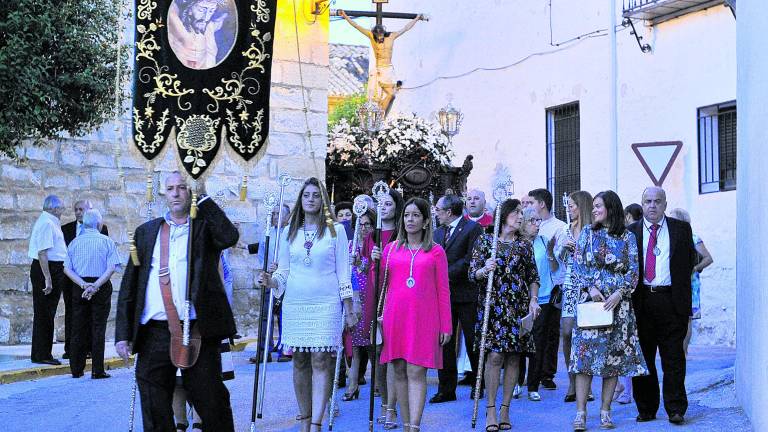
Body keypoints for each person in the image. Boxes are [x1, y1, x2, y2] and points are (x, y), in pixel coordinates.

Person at [115, 171, 238, 432]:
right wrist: (122, 334)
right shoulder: (146, 232)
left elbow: (229, 237)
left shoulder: (204, 229)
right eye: (170, 188)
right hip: (154, 333)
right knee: (154, 406)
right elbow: (130, 285)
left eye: (182, 187)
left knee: (212, 402)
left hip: (197, 330)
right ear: (163, 193)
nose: (175, 193)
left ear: (190, 191)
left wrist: (203, 196)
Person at [257, 177, 357, 432]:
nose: (311, 199)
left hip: (326, 303)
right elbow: (283, 272)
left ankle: (316, 422)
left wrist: (349, 308)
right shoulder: (290, 232)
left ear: (322, 199)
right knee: (299, 359)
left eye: (315, 195)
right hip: (296, 303)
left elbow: (343, 272)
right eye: (306, 195)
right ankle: (303, 416)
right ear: (300, 200)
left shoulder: (337, 231)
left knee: (321, 360)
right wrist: (270, 281)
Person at [570, 191, 647, 431]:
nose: (594, 210)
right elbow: (578, 264)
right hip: (591, 304)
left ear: (611, 208)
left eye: (598, 206)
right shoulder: (587, 234)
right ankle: (581, 413)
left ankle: (605, 411)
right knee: (585, 360)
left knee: (612, 360)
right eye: (593, 206)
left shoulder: (627, 237)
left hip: (618, 308)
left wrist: (619, 293)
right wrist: (591, 287)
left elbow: (633, 270)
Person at [374, 197, 452, 432]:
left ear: (426, 221)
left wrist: (446, 325)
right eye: (407, 215)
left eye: (416, 215)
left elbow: (443, 290)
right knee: (398, 369)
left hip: (424, 319)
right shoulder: (390, 249)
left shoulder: (436, 251)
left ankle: (414, 426)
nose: (410, 219)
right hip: (395, 317)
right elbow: (382, 284)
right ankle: (406, 424)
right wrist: (374, 263)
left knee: (416, 370)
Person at [469, 199, 541, 432]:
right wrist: (484, 268)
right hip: (493, 305)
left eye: (521, 213)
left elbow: (533, 277)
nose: (520, 217)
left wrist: (533, 300)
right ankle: (490, 408)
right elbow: (472, 274)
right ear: (504, 216)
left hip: (518, 307)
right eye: (516, 213)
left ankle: (505, 408)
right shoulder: (485, 241)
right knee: (495, 356)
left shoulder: (524, 245)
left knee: (513, 357)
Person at [629, 187, 698, 425]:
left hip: (671, 300)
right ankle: (646, 408)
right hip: (642, 301)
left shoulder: (681, 229)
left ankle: (676, 408)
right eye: (648, 201)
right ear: (642, 202)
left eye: (657, 201)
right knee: (643, 358)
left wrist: (682, 298)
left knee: (674, 357)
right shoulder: (631, 232)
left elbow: (690, 261)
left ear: (665, 204)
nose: (652, 206)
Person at [430, 195, 484, 404]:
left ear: (449, 211)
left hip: (467, 293)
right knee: (444, 341)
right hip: (444, 296)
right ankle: (446, 389)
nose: (436, 213)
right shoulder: (437, 232)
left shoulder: (472, 229)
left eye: (438, 209)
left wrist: (443, 274)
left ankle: (478, 384)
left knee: (472, 340)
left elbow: (470, 259)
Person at [361, 188, 404, 426]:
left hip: (394, 294)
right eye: (382, 204)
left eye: (389, 204)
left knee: (393, 353)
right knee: (377, 352)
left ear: (396, 207)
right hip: (374, 294)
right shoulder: (372, 236)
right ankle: (385, 403)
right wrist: (371, 260)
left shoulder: (402, 235)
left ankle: (393, 409)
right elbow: (366, 268)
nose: (385, 208)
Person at [62, 209, 121, 379]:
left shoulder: (74, 243)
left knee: (78, 327)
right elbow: (111, 268)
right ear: (98, 223)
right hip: (100, 286)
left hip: (79, 286)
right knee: (98, 327)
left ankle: (76, 369)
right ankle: (97, 369)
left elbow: (66, 268)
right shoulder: (106, 242)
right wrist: (95, 286)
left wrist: (83, 285)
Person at [338, 10, 424, 114]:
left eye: (381, 36)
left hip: (388, 70)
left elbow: (405, 28)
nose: (379, 39)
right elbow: (356, 26)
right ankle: (379, 117)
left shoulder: (392, 36)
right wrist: (345, 16)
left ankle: (380, 115)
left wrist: (416, 18)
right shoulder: (371, 36)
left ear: (384, 33)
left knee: (391, 95)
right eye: (377, 37)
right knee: (381, 97)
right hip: (379, 70)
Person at [554, 191, 594, 402]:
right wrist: (563, 248)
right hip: (569, 284)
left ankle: (585, 386)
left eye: (572, 205)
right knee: (568, 332)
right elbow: (559, 259)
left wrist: (579, 248)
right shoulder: (565, 229)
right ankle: (572, 380)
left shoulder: (593, 231)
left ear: (581, 206)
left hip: (588, 287)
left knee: (586, 335)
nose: (568, 208)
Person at [519, 206, 559, 402]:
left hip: (543, 298)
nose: (536, 225)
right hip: (520, 300)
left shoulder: (543, 242)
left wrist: (551, 252)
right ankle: (518, 381)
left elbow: (554, 268)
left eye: (538, 221)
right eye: (531, 221)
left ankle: (533, 385)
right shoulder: (517, 244)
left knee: (538, 343)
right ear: (523, 223)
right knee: (518, 341)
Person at [528, 188, 566, 391]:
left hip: (552, 287)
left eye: (531, 202)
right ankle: (529, 374)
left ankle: (547, 373)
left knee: (550, 333)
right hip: (533, 288)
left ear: (541, 203)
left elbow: (560, 261)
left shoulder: (559, 227)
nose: (527, 206)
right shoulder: (528, 227)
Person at [61, 199, 109, 360]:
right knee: (72, 314)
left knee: (92, 317)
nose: (78, 212)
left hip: (96, 281)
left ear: (90, 211)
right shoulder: (66, 229)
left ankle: (88, 349)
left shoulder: (102, 230)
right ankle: (71, 349)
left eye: (81, 209)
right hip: (72, 280)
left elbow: (104, 258)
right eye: (76, 209)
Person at [28, 195, 68, 365]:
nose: (62, 211)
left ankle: (41, 352)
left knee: (46, 313)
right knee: (45, 313)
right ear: (54, 208)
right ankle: (42, 354)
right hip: (48, 269)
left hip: (53, 268)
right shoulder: (47, 223)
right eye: (61, 208)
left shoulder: (49, 221)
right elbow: (42, 253)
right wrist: (48, 279)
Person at [667, 208, 714, 354]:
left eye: (673, 219)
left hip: (689, 284)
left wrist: (695, 268)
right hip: (671, 284)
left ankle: (683, 351)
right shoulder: (667, 238)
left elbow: (708, 258)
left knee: (686, 318)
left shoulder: (693, 237)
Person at [251, 204, 292, 364]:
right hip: (269, 277)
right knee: (265, 315)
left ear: (287, 217)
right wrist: (266, 269)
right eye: (273, 213)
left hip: (285, 280)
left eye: (278, 213)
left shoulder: (290, 234)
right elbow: (262, 253)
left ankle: (284, 349)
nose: (274, 216)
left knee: (284, 316)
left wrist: (281, 268)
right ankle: (263, 351)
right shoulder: (266, 233)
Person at [343, 208, 376, 401]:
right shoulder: (350, 245)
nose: (363, 228)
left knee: (372, 345)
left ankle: (379, 384)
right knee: (354, 346)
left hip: (369, 297)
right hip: (353, 298)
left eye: (367, 224)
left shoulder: (375, 246)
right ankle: (352, 385)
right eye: (360, 224)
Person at [612, 203, 644, 405]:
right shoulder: (627, 235)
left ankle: (626, 390)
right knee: (624, 346)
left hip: (631, 298)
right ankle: (621, 387)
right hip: (627, 296)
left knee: (627, 346)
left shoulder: (629, 236)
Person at [168, 0, 231, 70]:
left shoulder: (209, 28)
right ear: (189, 10)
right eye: (201, 10)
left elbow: (222, 17)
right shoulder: (177, 27)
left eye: (211, 11)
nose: (206, 17)